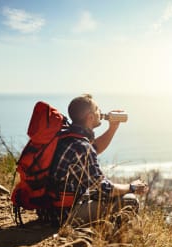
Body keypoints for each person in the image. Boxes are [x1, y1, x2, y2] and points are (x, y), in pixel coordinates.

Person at [49, 93, 148, 226]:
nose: (100, 112)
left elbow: (93, 148)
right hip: (63, 216)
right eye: (97, 109)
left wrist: (112, 128)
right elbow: (105, 190)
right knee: (129, 200)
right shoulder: (82, 147)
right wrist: (132, 187)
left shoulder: (66, 136)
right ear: (90, 117)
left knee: (104, 193)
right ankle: (114, 241)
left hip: (47, 210)